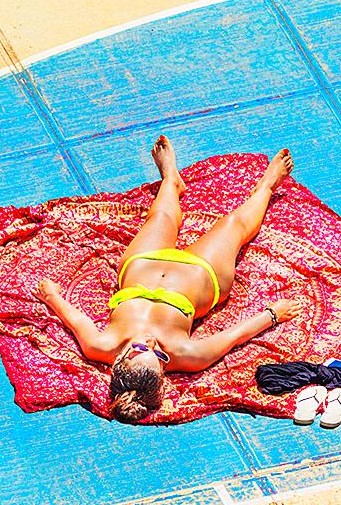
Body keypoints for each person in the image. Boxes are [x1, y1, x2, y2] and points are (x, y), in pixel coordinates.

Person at [33, 137, 304, 422]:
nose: (152, 342)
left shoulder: (100, 346)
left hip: (141, 268)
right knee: (232, 225)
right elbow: (234, 337)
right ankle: (267, 186)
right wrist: (273, 314)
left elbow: (74, 319)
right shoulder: (187, 355)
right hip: (201, 275)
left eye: (139, 348)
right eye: (159, 355)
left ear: (118, 362)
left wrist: (52, 296)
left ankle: (171, 181)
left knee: (160, 216)